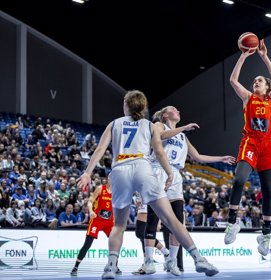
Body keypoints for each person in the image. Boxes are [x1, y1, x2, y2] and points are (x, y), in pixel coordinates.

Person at [76, 90, 219, 279]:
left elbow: (101, 149)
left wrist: (87, 173)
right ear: (143, 108)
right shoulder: (150, 125)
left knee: (119, 225)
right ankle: (198, 258)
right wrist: (169, 173)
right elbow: (159, 153)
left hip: (120, 171)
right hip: (143, 169)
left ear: (126, 105)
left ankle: (110, 266)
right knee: (171, 219)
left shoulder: (114, 123)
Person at [144, 106, 235, 275]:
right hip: (158, 170)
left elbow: (198, 156)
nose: (178, 110)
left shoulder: (183, 137)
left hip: (176, 175)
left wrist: (221, 158)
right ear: (165, 114)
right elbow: (161, 137)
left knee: (179, 220)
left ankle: (171, 261)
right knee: (153, 217)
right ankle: (148, 261)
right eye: (174, 109)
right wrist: (184, 127)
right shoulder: (158, 125)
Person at [223, 39, 271, 256]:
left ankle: (265, 235)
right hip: (250, 142)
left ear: (266, 86)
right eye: (254, 80)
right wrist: (244, 55)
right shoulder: (248, 98)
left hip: (269, 146)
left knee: (268, 191)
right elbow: (232, 80)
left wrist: (264, 56)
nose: (255, 82)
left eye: (259, 81)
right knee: (239, 179)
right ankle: (232, 222)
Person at [70, 177, 122, 276]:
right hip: (97, 219)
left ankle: (114, 265)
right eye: (112, 178)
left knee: (115, 243)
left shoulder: (116, 192)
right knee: (87, 244)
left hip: (109, 221)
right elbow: (90, 201)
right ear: (108, 179)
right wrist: (91, 211)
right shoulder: (100, 188)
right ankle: (76, 266)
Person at [131, 194, 170, 275]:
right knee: (141, 235)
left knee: (141, 233)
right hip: (142, 200)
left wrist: (142, 197)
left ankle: (164, 253)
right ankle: (147, 262)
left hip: (147, 200)